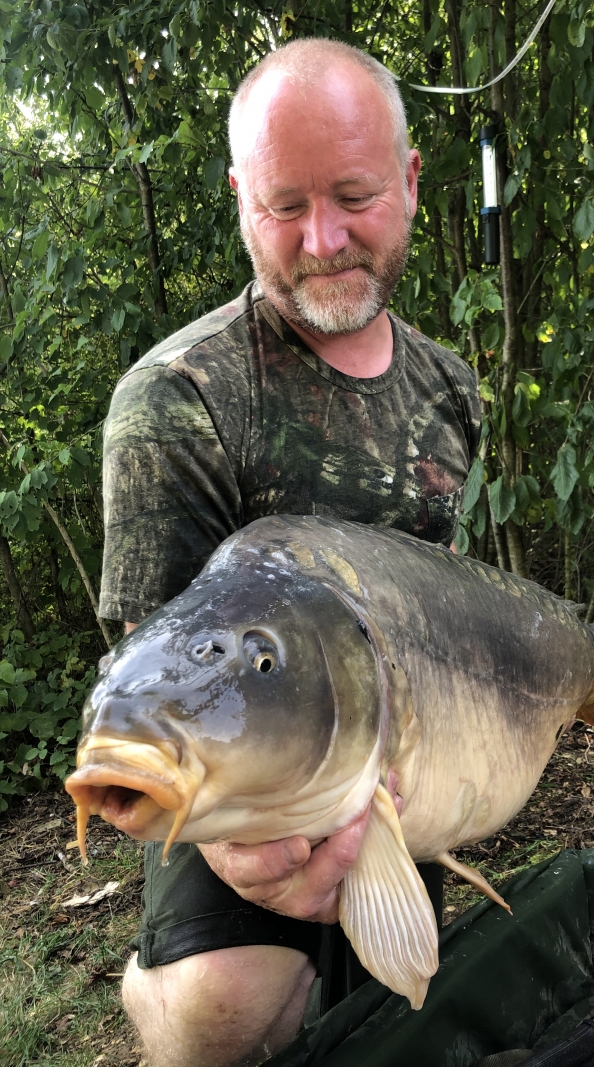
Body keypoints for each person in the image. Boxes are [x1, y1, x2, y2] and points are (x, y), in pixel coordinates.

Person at [98, 37, 480, 1067]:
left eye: (353, 194)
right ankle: (155, 991)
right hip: (245, 749)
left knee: (421, 1016)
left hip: (388, 732)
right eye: (282, 206)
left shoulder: (450, 389)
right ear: (238, 197)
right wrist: (242, 846)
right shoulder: (175, 399)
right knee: (235, 1007)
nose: (321, 240)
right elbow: (165, 677)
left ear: (407, 180)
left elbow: (444, 591)